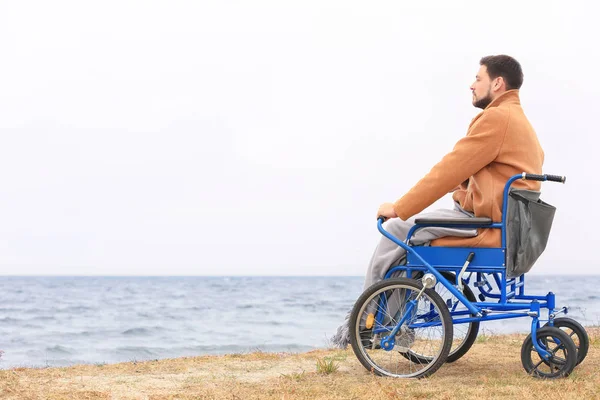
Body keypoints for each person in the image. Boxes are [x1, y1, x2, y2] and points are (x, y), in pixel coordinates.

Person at [331, 54, 545, 348]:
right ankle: (388, 322)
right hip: (503, 224)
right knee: (409, 247)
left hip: (486, 225)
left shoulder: (497, 118)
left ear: (497, 83)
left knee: (396, 229)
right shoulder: (520, 121)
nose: (471, 85)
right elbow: (476, 175)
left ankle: (364, 320)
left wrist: (399, 207)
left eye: (478, 79)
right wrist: (461, 193)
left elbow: (449, 169)